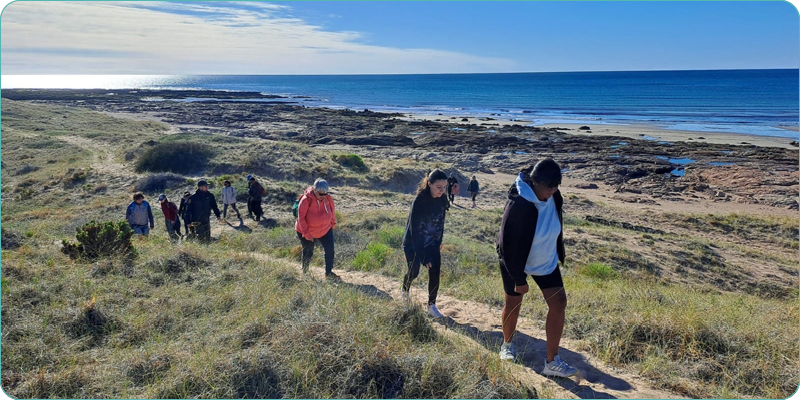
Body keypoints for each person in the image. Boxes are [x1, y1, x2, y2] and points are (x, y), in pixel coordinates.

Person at [496, 159, 577, 378]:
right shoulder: (519, 204)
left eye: (555, 187)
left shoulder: (554, 195)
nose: (552, 191)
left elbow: (554, 221)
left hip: (546, 259)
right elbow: (507, 246)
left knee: (559, 303)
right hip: (516, 262)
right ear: (534, 182)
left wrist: (558, 251)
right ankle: (507, 345)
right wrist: (519, 279)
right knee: (513, 302)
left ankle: (552, 362)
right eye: (548, 187)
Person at [401, 169, 450, 318]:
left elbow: (441, 222)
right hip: (413, 243)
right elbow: (415, 230)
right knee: (414, 271)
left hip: (432, 243)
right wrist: (423, 257)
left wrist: (439, 241)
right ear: (429, 184)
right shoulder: (420, 200)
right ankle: (405, 290)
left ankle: (431, 306)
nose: (442, 191)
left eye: (444, 187)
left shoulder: (442, 199)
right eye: (438, 187)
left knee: (435, 273)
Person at [295, 179, 338, 278]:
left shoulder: (328, 198)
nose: (323, 196)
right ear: (315, 190)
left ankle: (328, 273)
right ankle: (305, 272)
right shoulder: (306, 200)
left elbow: (332, 209)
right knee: (308, 252)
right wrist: (306, 233)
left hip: (325, 229)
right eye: (320, 194)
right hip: (307, 231)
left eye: (325, 194)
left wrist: (333, 222)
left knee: (330, 250)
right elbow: (301, 218)